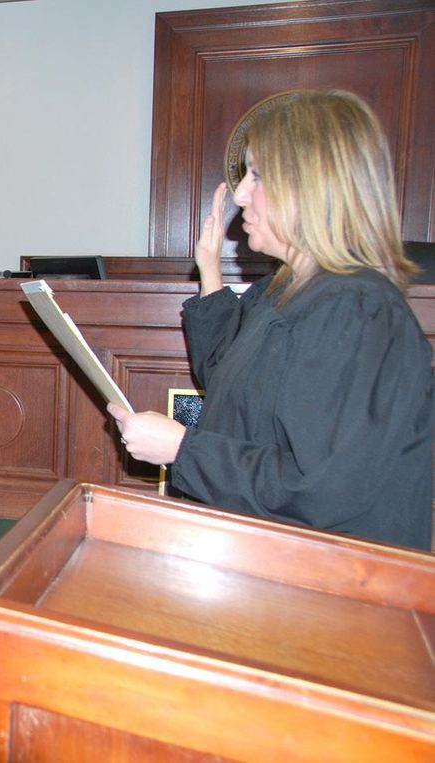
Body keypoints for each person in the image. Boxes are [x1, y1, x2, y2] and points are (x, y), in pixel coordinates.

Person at [108, 90, 433, 551]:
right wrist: (209, 269)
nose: (240, 194)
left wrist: (184, 451)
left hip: (328, 594)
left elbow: (322, 488)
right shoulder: (286, 290)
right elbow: (227, 381)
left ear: (313, 184)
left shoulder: (356, 312)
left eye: (256, 175)